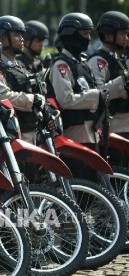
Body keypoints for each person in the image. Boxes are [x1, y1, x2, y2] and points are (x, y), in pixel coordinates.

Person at [48, 12, 126, 180]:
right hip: (75, 133)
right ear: (71, 35)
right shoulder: (61, 65)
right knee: (80, 181)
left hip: (92, 131)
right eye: (84, 34)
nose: (88, 38)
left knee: (94, 180)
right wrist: (97, 96)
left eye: (89, 33)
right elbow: (66, 99)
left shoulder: (81, 64)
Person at [0, 15, 45, 144]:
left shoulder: (20, 66)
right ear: (3, 38)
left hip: (32, 131)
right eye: (17, 35)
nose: (22, 39)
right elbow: (2, 97)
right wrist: (33, 100)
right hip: (13, 137)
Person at [88, 11, 129, 167]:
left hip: (125, 124)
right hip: (114, 126)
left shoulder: (120, 59)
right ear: (109, 35)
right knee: (118, 172)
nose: (127, 38)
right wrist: (123, 79)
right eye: (123, 34)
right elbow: (99, 92)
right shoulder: (99, 60)